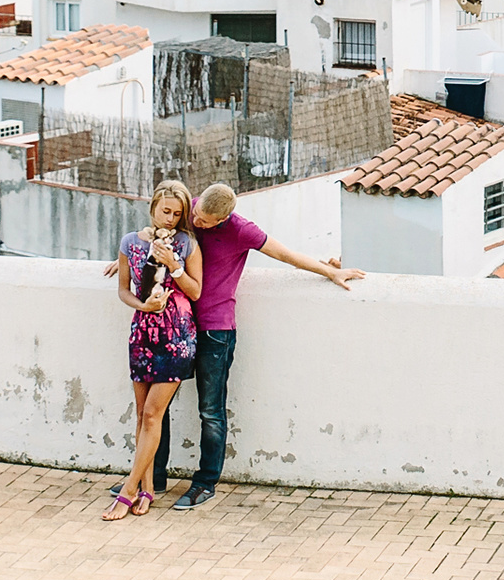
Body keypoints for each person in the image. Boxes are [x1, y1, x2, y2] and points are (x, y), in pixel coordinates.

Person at [151, 181, 364, 510]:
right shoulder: (191, 210)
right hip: (178, 323)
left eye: (206, 221)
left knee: (210, 410)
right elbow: (158, 232)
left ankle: (205, 483)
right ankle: (155, 476)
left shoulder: (241, 231)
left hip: (216, 330)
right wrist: (124, 260)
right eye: (196, 215)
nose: (197, 223)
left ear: (224, 218)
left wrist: (328, 271)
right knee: (158, 405)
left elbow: (284, 254)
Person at [103, 179, 204, 520]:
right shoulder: (130, 243)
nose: (171, 219)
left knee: (152, 414)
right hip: (143, 332)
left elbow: (195, 291)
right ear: (153, 208)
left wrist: (173, 264)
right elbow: (123, 290)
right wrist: (143, 307)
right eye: (166, 211)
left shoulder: (187, 243)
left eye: (177, 214)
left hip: (176, 335)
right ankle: (147, 487)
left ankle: (129, 491)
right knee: (141, 412)